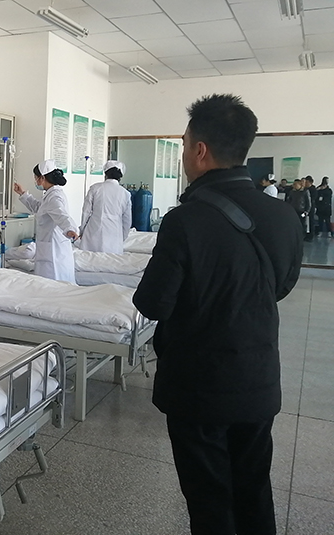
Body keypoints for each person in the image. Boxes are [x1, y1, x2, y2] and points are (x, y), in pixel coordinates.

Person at [133, 94, 303, 535]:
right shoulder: (284, 216)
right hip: (258, 378)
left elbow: (153, 303)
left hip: (199, 388)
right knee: (253, 489)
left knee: (210, 500)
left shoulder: (185, 221)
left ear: (200, 150)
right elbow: (281, 286)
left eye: (184, 145)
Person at [13, 160, 79, 282]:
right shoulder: (50, 194)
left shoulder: (54, 197)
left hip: (54, 251)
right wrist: (23, 193)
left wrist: (70, 229)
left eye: (35, 178)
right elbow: (39, 208)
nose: (35, 181)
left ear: (42, 178)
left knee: (53, 284)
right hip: (49, 247)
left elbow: (61, 215)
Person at [79, 160, 133, 253]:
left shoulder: (95, 188)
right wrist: (122, 237)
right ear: (120, 176)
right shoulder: (125, 193)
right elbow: (127, 220)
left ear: (105, 174)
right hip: (114, 235)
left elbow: (86, 212)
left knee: (90, 259)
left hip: (93, 232)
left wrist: (82, 230)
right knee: (111, 260)